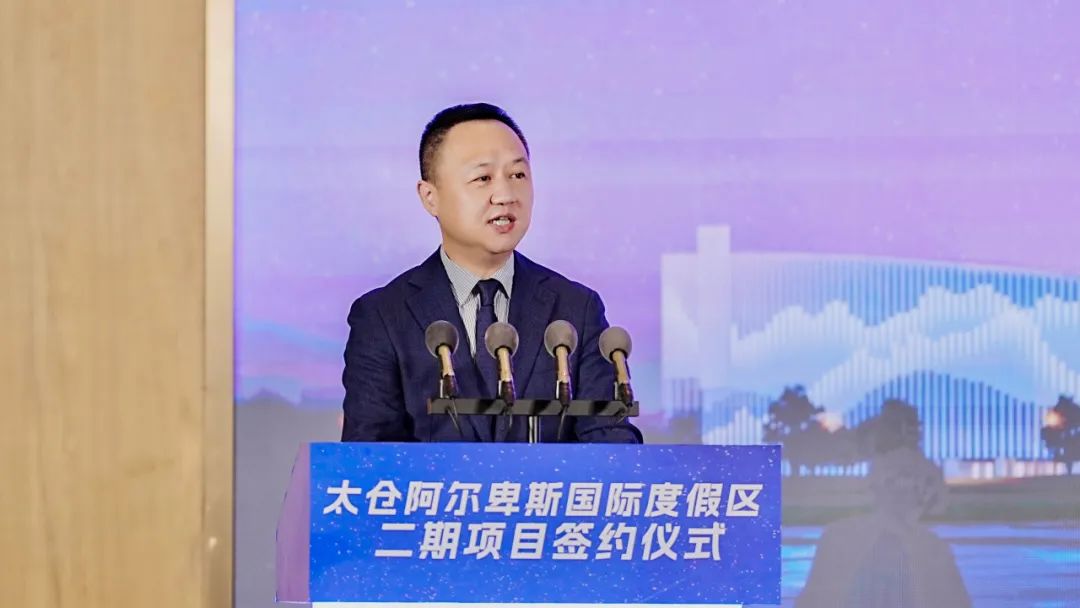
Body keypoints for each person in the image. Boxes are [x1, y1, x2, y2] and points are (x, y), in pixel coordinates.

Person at [341, 102, 643, 444]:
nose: (506, 195)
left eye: (518, 175)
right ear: (430, 197)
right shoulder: (383, 317)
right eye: (483, 178)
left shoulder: (576, 309)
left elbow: (611, 446)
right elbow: (369, 458)